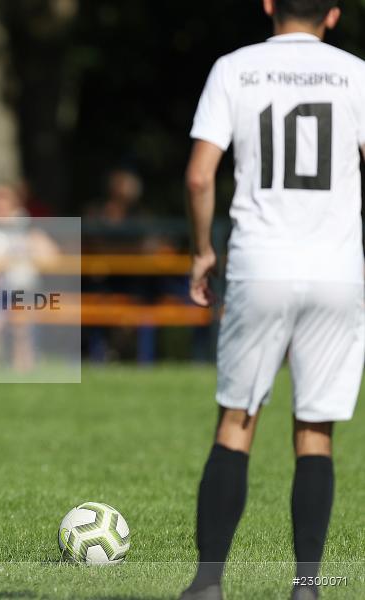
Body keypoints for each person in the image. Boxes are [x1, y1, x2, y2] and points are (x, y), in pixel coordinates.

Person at [182, 2, 364, 599]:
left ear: (267, 5)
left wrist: (203, 251)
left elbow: (200, 177)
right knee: (315, 430)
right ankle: (306, 587)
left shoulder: (236, 68)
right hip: (337, 268)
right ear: (333, 14)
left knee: (237, 420)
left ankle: (209, 585)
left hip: (261, 263)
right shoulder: (356, 74)